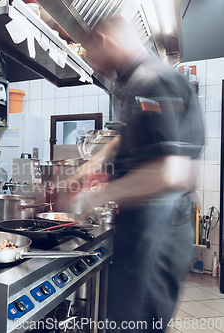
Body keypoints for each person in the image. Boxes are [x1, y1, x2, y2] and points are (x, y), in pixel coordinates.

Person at [68, 16, 205, 332]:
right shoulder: (136, 83)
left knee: (132, 325)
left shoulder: (155, 81)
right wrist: (86, 169)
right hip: (143, 225)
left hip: (159, 230)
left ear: (106, 40)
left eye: (91, 55)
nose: (94, 66)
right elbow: (125, 138)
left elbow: (170, 173)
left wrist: (93, 196)